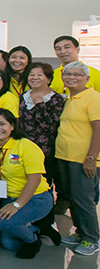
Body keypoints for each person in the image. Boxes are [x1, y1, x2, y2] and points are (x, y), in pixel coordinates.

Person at [0, 109, 55, 258]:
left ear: (12, 126)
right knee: (10, 245)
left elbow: (34, 180)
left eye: (2, 124)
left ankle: (33, 240)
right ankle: (37, 227)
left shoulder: (27, 147)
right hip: (6, 196)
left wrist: (17, 205)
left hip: (36, 197)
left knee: (2, 222)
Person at [55, 61, 100, 255]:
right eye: (67, 74)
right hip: (64, 156)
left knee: (83, 198)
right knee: (72, 197)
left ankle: (92, 239)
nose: (71, 78)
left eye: (77, 75)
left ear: (87, 79)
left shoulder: (93, 97)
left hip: (83, 159)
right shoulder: (69, 99)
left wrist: (91, 157)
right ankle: (80, 233)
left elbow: (98, 129)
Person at [19, 62, 64, 197]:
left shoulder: (55, 98)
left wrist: (40, 104)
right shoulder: (24, 96)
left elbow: (48, 125)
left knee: (43, 183)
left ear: (49, 79)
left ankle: (46, 214)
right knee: (23, 181)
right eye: (31, 75)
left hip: (45, 149)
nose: (35, 77)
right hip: (24, 147)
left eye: (40, 75)